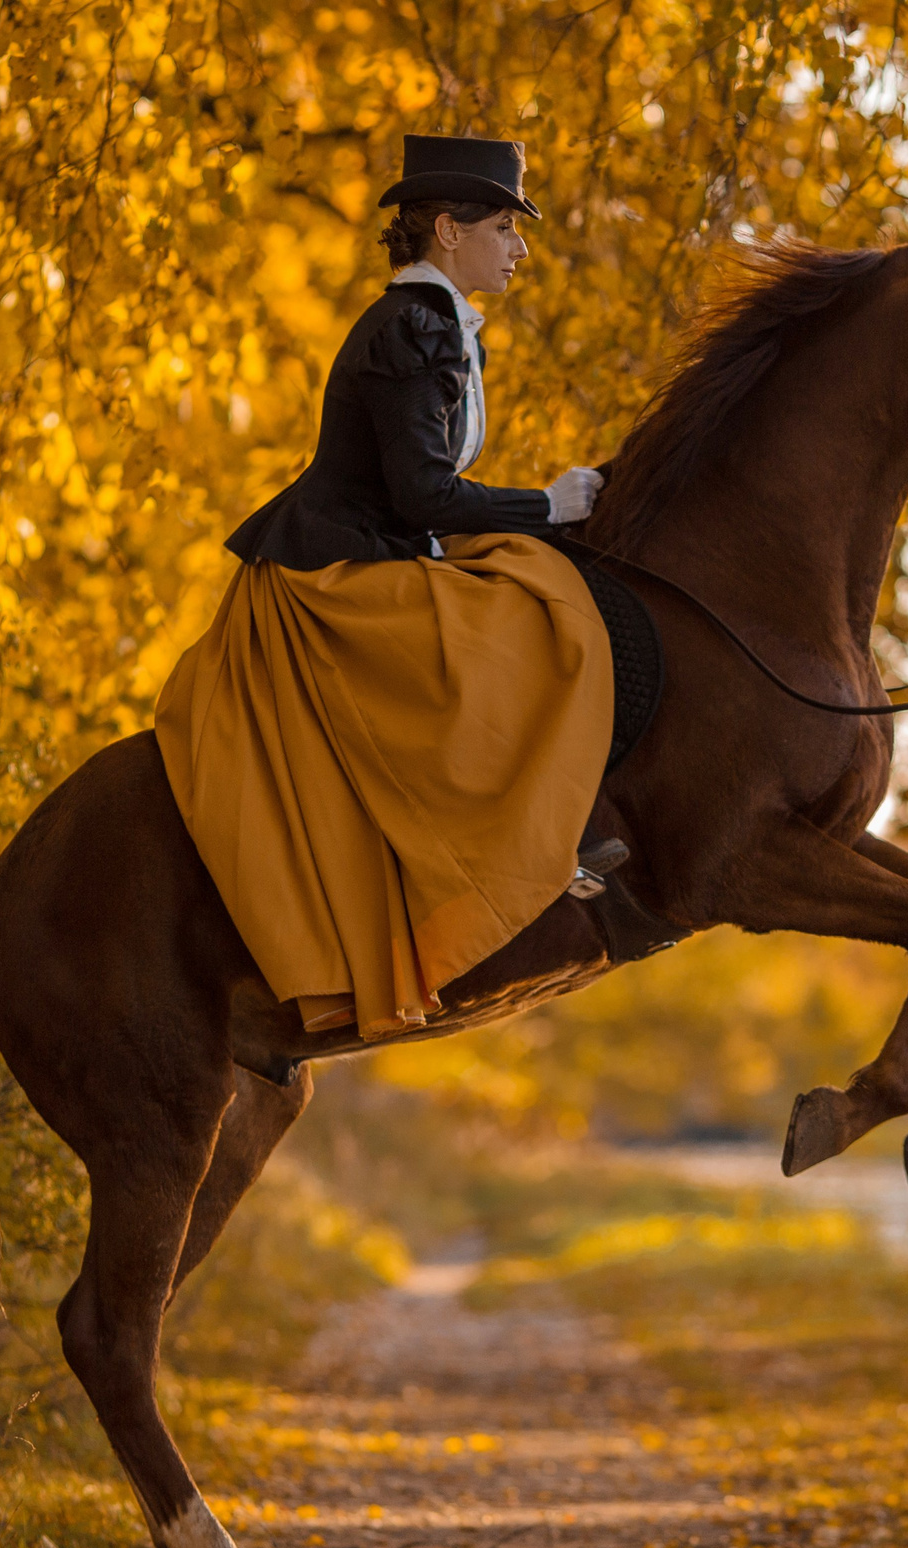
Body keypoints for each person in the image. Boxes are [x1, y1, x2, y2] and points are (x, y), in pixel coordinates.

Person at [154, 134, 616, 1041]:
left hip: (374, 550)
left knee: (525, 591)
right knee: (526, 615)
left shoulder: (438, 325)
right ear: (447, 230)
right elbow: (424, 494)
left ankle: (524, 832)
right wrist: (548, 505)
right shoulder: (414, 328)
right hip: (334, 572)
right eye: (503, 229)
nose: (519, 249)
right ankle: (524, 840)